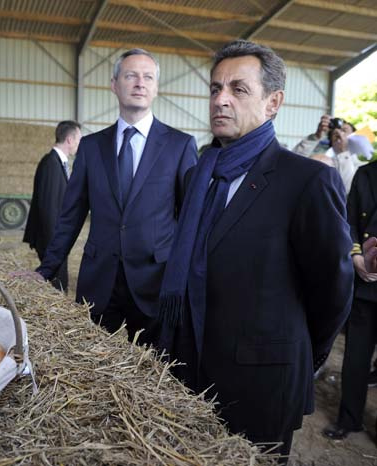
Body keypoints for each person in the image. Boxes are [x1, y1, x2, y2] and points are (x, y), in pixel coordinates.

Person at [157, 40, 353, 462]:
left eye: (238, 90)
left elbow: (333, 291)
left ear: (273, 103)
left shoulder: (306, 182)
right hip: (188, 370)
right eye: (215, 89)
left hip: (262, 385)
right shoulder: (197, 177)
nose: (220, 100)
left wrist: (296, 353)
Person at [37, 48, 198, 346]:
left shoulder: (180, 146)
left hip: (155, 282)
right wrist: (46, 269)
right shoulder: (91, 147)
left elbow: (190, 218)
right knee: (94, 367)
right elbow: (71, 215)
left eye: (148, 77)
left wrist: (187, 279)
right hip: (100, 283)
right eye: (131, 75)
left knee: (154, 372)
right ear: (114, 84)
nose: (140, 83)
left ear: (156, 88)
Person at [323, 161, 377, 440]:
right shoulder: (366, 173)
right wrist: (356, 256)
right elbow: (351, 219)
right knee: (355, 358)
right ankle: (350, 418)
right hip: (365, 285)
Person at [23, 120, 82, 292]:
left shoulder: (58, 163)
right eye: (79, 139)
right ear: (70, 140)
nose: (79, 143)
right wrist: (55, 245)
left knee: (59, 283)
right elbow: (47, 208)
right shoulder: (50, 164)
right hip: (51, 240)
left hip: (56, 239)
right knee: (58, 286)